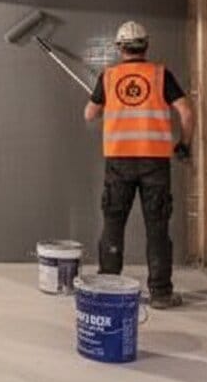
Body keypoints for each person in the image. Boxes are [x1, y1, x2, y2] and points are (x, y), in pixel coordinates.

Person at [83, 21, 195, 309]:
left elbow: (89, 114)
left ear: (120, 48)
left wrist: (104, 102)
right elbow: (186, 112)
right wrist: (184, 144)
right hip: (155, 162)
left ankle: (108, 287)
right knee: (157, 227)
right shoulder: (160, 75)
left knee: (113, 223)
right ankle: (160, 294)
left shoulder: (108, 77)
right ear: (146, 45)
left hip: (118, 160)